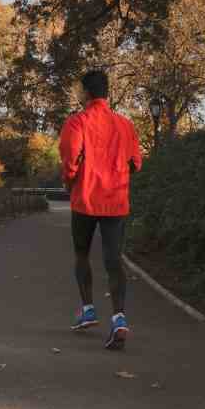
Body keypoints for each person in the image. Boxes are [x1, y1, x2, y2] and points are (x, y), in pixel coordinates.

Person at [59, 69, 143, 350]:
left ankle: (88, 309)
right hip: (116, 201)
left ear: (86, 92)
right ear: (106, 91)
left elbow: (70, 160)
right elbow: (136, 162)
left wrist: (71, 183)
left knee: (81, 254)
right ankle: (119, 318)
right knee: (114, 259)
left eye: (79, 89)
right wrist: (118, 174)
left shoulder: (76, 122)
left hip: (85, 199)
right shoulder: (125, 125)